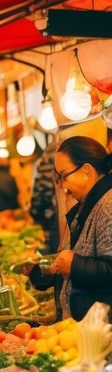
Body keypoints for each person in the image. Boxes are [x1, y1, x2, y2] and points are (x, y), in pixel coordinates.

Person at [48, 136, 112, 320]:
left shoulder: (108, 205)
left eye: (63, 175)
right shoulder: (91, 202)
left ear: (86, 171)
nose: (62, 186)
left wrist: (74, 265)